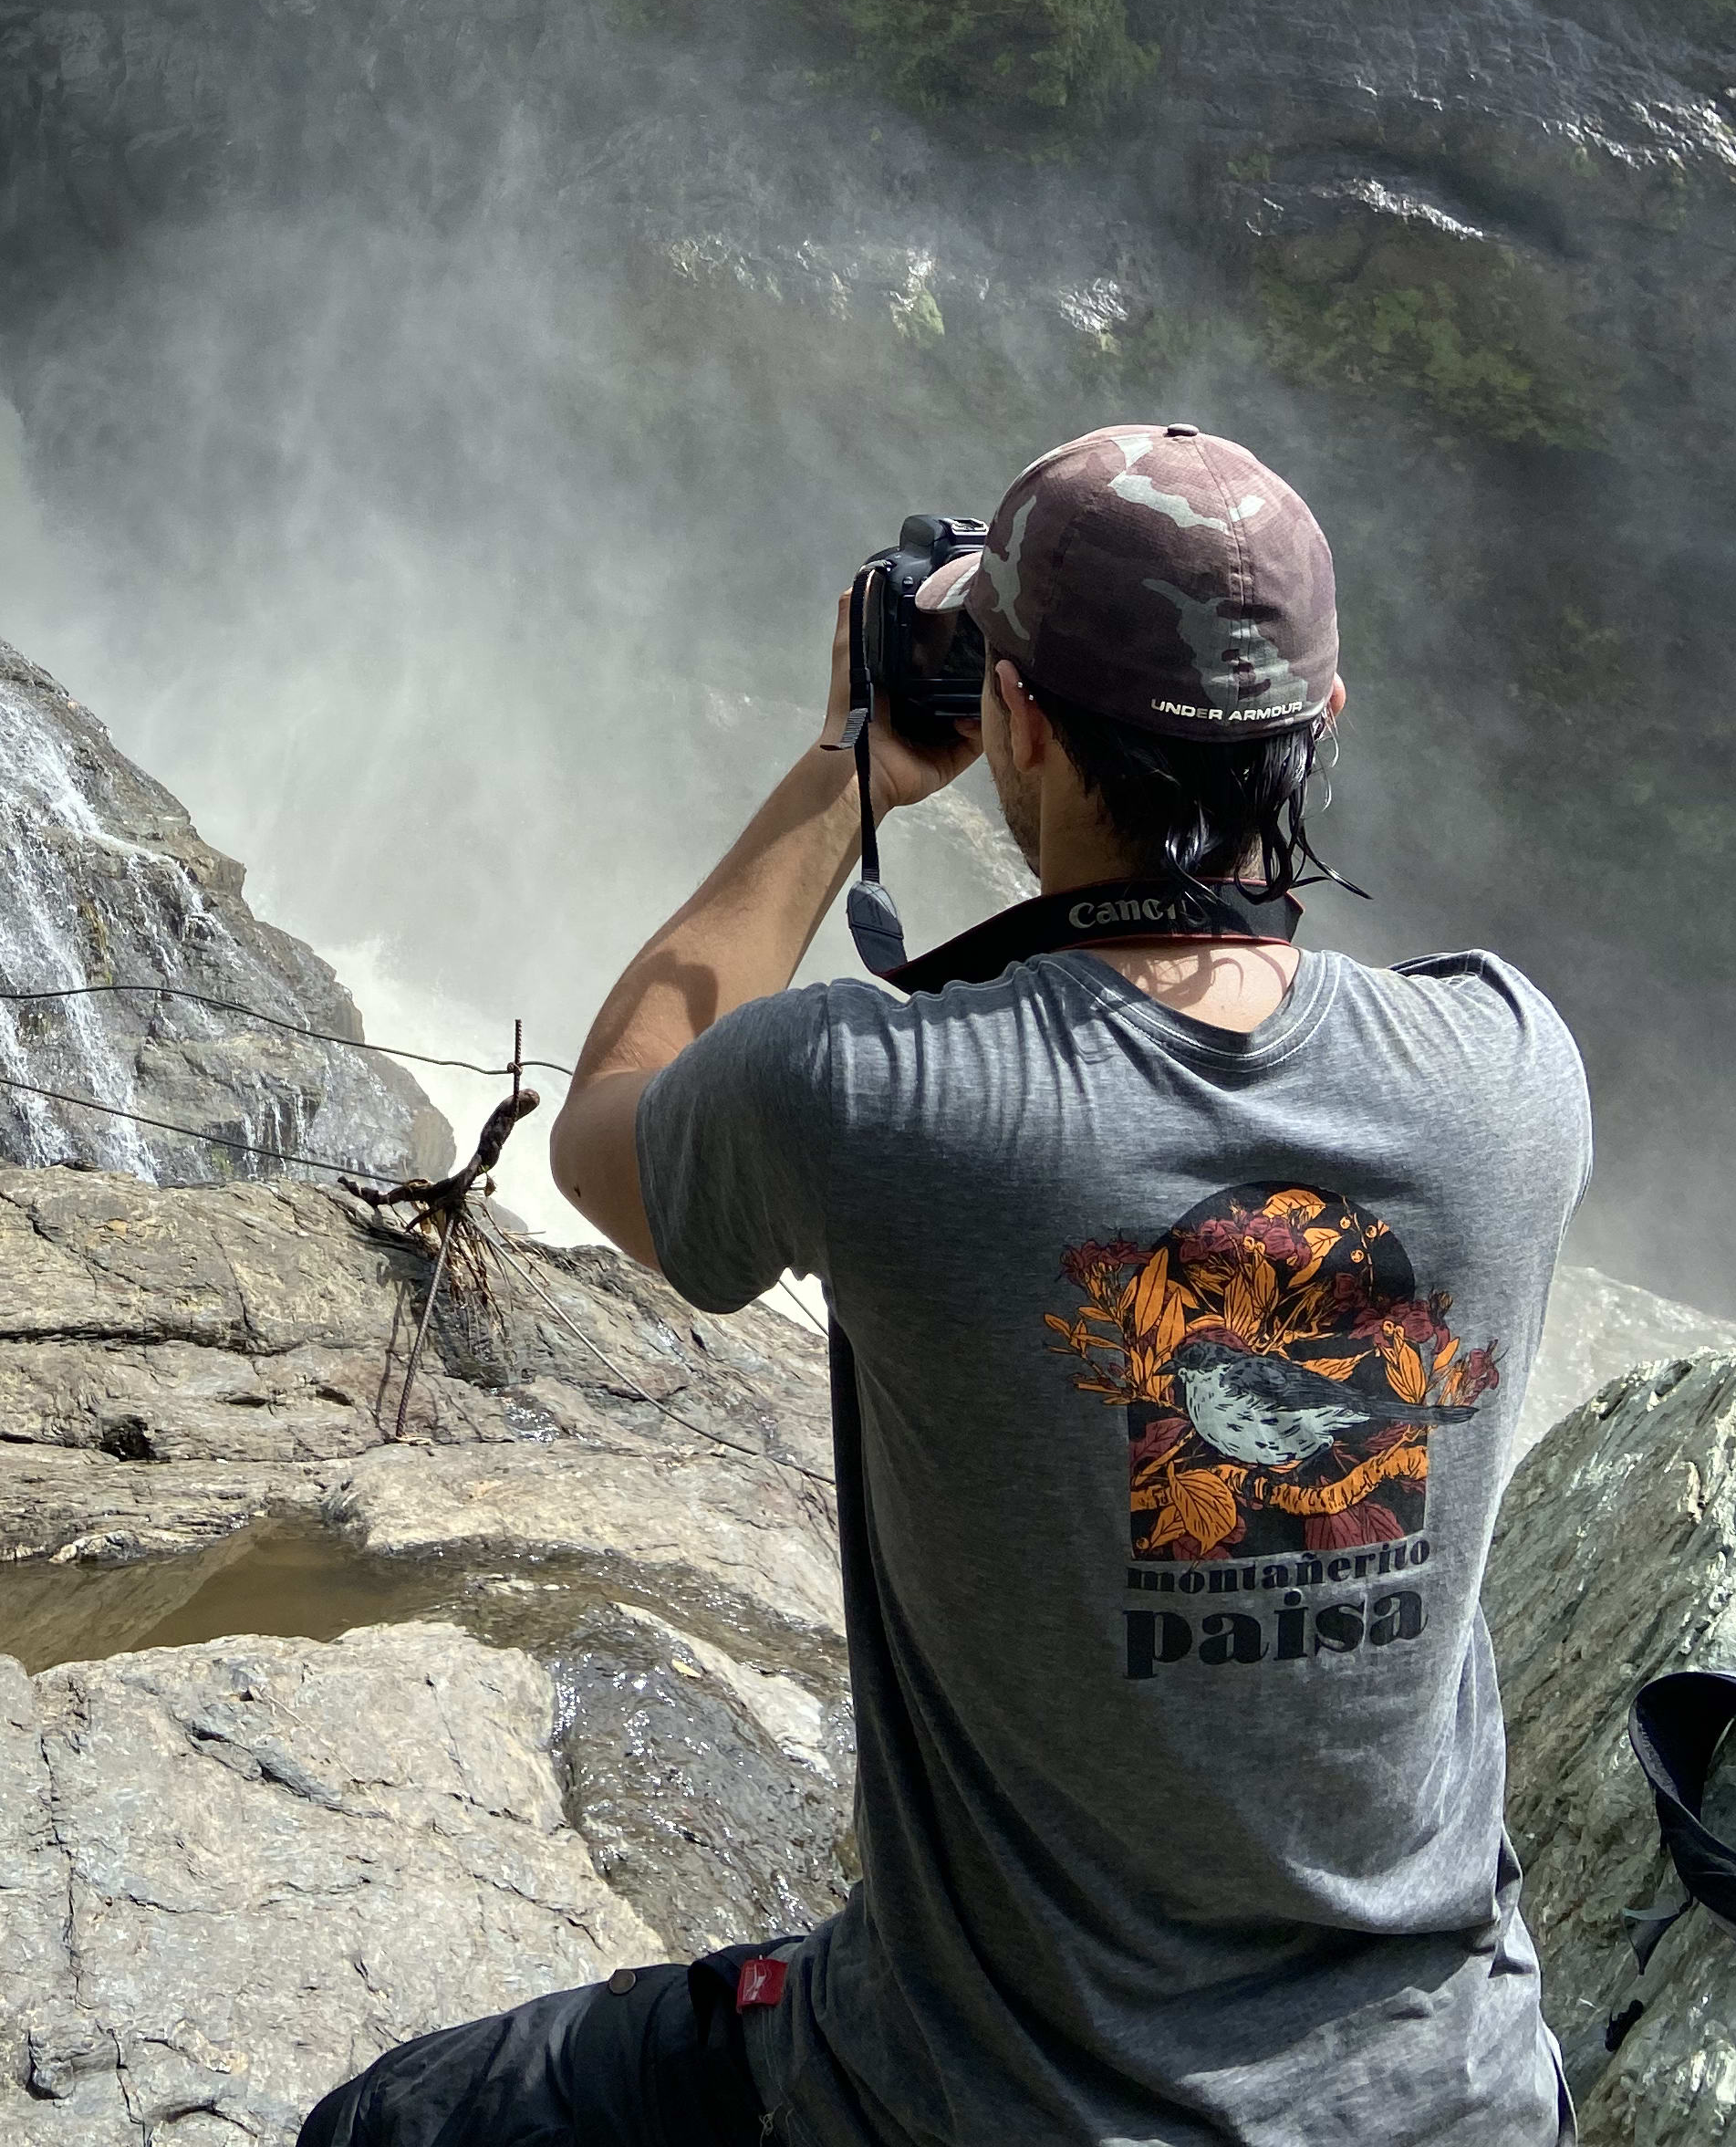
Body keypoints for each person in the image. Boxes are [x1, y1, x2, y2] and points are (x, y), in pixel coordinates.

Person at [300, 423, 1591, 2147]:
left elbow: (606, 1115)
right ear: (1322, 724)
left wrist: (849, 765)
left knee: (394, 2126)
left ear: (1020, 724)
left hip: (992, 2105)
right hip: (1461, 2099)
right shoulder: (1515, 1073)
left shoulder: (879, 1099)